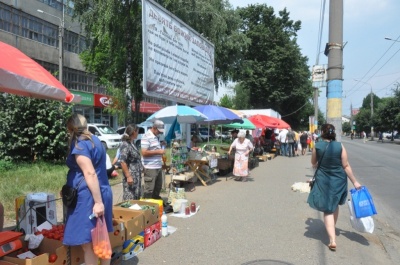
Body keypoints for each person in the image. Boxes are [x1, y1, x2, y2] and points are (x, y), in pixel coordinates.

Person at [64, 114, 113, 265]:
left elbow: (90, 172)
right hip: (100, 190)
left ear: (71, 128)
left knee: (89, 244)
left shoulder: (80, 144)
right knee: (101, 238)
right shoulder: (96, 140)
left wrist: (97, 202)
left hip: (89, 196)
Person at [307, 123, 361, 251]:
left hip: (323, 180)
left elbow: (313, 163)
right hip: (338, 180)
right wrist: (355, 182)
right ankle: (332, 226)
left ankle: (332, 239)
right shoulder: (340, 146)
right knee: (334, 205)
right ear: (333, 133)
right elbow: (346, 166)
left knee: (328, 209)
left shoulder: (318, 146)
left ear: (322, 132)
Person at [141, 120, 166, 199]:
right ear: (154, 128)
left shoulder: (156, 137)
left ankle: (156, 205)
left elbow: (153, 148)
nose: (159, 132)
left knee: (158, 187)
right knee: (149, 189)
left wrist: (161, 145)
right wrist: (158, 151)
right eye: (158, 131)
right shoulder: (146, 136)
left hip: (157, 166)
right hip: (150, 167)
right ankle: (148, 206)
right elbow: (144, 152)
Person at [119, 124, 143, 200]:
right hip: (131, 176)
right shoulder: (125, 144)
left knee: (136, 197)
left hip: (136, 176)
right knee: (130, 197)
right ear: (133, 132)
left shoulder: (133, 144)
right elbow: (122, 161)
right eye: (137, 132)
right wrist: (128, 176)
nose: (138, 133)